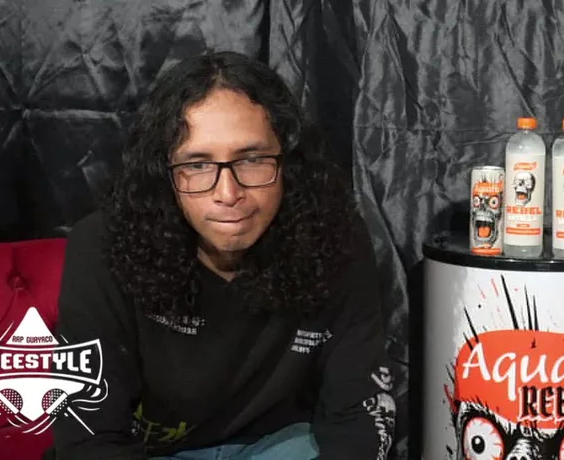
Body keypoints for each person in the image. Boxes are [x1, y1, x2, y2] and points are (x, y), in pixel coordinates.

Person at [48, 51, 396, 460]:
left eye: (251, 159)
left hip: (282, 446)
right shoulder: (101, 244)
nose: (228, 194)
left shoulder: (335, 237)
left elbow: (359, 416)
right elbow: (88, 439)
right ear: (164, 173)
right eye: (197, 165)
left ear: (288, 163)